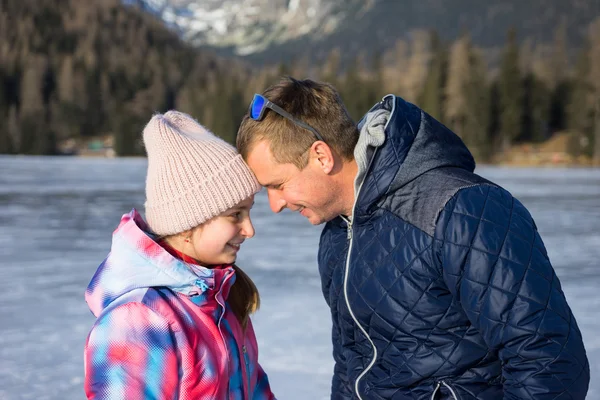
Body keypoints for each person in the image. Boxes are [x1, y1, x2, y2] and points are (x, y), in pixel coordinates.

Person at [236, 77, 589, 399]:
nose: (276, 205)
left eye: (277, 185)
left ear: (321, 156)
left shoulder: (462, 210)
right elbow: (351, 367)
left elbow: (548, 360)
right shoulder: (338, 230)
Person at [84, 111, 276, 400]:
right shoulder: (140, 317)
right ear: (190, 221)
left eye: (248, 212)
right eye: (236, 214)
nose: (249, 229)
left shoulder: (221, 297)